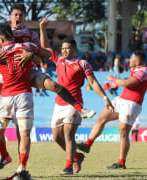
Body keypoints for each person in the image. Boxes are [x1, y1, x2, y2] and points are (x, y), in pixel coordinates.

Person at [0, 3, 77, 171]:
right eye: (15, 14)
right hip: (6, 79)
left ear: (24, 18)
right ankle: (3, 155)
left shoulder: (30, 36)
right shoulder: (2, 35)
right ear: (10, 17)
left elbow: (43, 56)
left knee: (51, 85)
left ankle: (21, 166)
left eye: (21, 15)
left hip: (27, 75)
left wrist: (31, 56)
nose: (18, 17)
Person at [40, 16, 114, 175]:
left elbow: (93, 82)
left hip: (74, 104)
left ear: (74, 49)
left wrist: (105, 97)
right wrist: (42, 28)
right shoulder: (58, 59)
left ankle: (68, 166)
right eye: (62, 48)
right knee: (56, 137)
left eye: (67, 48)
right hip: (58, 103)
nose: (64, 50)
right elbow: (45, 47)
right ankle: (76, 156)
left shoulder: (82, 63)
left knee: (68, 133)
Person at [0, 23, 52, 179]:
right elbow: (46, 56)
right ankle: (22, 168)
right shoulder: (26, 46)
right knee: (24, 134)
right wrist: (32, 56)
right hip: (24, 95)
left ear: (0, 38)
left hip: (6, 97)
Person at [77, 51, 147, 169]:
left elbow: (127, 83)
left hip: (131, 104)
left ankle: (121, 163)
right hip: (121, 100)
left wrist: (113, 79)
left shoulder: (144, 71)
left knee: (123, 132)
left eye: (131, 58)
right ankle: (87, 145)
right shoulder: (137, 70)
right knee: (102, 118)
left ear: (137, 61)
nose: (129, 60)